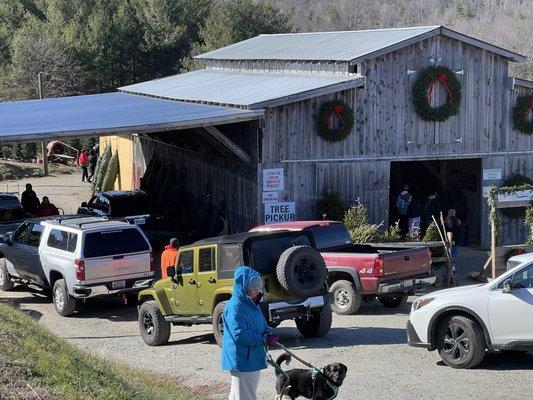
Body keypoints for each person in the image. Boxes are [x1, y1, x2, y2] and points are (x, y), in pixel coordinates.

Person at [221, 266, 278, 400]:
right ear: (242, 286)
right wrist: (263, 340)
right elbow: (239, 334)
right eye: (252, 288)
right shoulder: (235, 307)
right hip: (242, 358)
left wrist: (268, 333)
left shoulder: (252, 304)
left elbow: (261, 323)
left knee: (239, 394)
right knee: (245, 395)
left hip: (251, 356)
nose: (256, 292)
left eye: (257, 288)